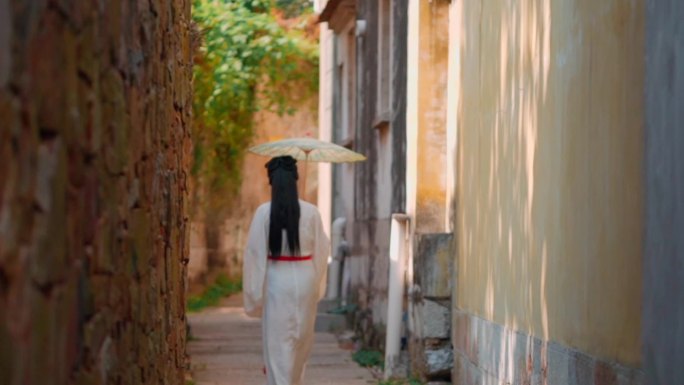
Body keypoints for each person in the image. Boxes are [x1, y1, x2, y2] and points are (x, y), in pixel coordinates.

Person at [242, 155, 330, 385]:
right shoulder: (311, 212)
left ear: (272, 182)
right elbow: (322, 251)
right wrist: (316, 287)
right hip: (306, 277)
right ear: (295, 180)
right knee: (301, 342)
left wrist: (254, 297)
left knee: (278, 345)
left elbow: (255, 255)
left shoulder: (264, 212)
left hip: (276, 280)